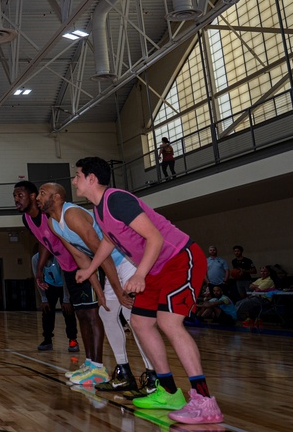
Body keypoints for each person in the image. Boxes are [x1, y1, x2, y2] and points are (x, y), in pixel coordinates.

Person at [72, 156, 223, 425]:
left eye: (77, 175)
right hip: (154, 268)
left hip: (180, 259)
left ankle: (205, 401)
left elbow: (155, 237)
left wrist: (139, 274)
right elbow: (110, 239)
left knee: (168, 322)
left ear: (91, 179)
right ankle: (168, 392)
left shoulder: (117, 200)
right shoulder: (99, 209)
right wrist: (91, 268)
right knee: (140, 323)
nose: (74, 181)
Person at [38, 182, 155, 393]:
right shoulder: (53, 223)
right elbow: (81, 258)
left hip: (127, 259)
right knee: (107, 313)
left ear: (56, 198)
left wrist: (119, 291)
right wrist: (100, 293)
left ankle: (153, 375)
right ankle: (124, 373)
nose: (38, 197)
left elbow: (103, 252)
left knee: (132, 317)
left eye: (42, 193)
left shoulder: (72, 214)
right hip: (108, 264)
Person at [14, 181, 107, 386]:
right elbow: (45, 241)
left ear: (32, 196)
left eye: (20, 195)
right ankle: (90, 363)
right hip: (67, 268)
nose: (16, 200)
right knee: (81, 315)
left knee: (91, 314)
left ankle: (98, 368)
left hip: (83, 263)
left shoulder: (52, 215)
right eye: (15, 196)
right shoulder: (28, 219)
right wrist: (39, 268)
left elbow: (76, 244)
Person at [30, 250, 78, 353]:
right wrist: (44, 298)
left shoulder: (59, 256)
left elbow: (65, 277)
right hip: (49, 285)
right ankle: (47, 341)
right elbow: (38, 279)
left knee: (68, 312)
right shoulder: (35, 259)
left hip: (64, 285)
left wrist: (66, 299)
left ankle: (73, 340)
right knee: (47, 312)